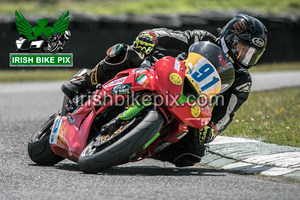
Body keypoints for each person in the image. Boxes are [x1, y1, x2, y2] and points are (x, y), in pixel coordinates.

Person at [61, 13, 267, 167]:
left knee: (192, 154)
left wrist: (212, 129)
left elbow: (226, 114)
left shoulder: (241, 81)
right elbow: (173, 36)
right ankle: (86, 80)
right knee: (127, 53)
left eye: (251, 55)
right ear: (230, 39)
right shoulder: (203, 38)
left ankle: (137, 142)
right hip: (163, 74)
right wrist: (152, 36)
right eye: (243, 49)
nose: (245, 58)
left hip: (189, 105)